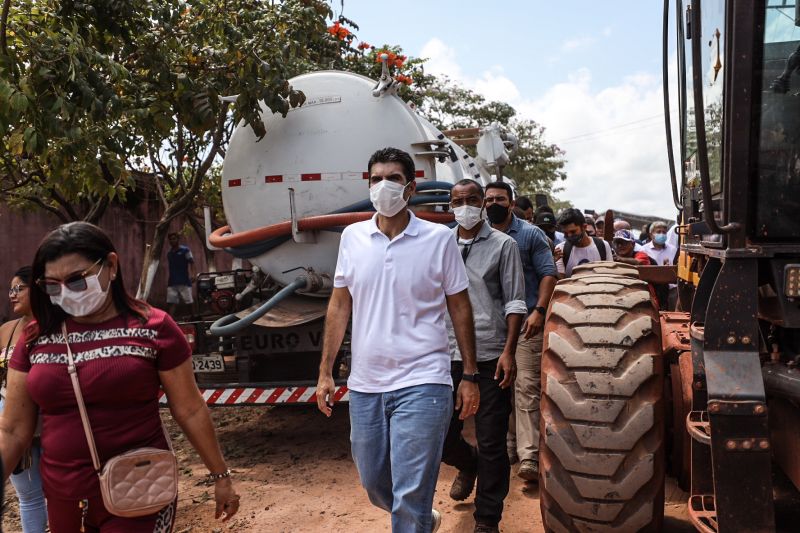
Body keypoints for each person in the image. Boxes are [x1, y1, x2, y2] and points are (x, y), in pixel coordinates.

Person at [0, 222, 239, 532]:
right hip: (64, 498)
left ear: (110, 266)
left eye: (76, 280)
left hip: (140, 491)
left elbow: (190, 409)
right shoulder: (35, 338)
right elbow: (13, 429)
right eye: (52, 285)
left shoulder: (153, 327)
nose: (65, 293)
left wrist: (221, 476)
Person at [316, 147, 479, 533]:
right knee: (373, 482)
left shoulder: (439, 239)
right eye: (376, 178)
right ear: (368, 183)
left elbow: (460, 308)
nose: (383, 185)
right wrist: (325, 372)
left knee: (410, 491)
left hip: (424, 381)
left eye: (393, 178)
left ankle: (413, 517)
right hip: (366, 384)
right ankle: (421, 517)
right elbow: (339, 306)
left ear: (410, 187)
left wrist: (470, 374)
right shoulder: (353, 237)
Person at [442, 180, 526, 533]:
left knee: (492, 441)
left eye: (472, 200)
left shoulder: (504, 245)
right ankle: (467, 462)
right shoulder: (440, 243)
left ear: (482, 204)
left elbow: (515, 301)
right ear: (450, 205)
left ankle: (487, 518)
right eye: (458, 200)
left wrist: (509, 352)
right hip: (444, 354)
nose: (465, 206)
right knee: (441, 436)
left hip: (490, 353)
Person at [483, 181, 558, 482]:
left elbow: (548, 274)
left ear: (511, 203)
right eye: (488, 200)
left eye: (499, 199)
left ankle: (529, 456)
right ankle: (510, 445)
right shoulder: (479, 236)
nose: (493, 204)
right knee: (500, 386)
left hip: (527, 323)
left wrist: (539, 311)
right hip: (493, 326)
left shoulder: (530, 234)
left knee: (526, 387)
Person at [0, 266, 48, 533]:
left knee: (60, 492)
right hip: (13, 422)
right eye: (10, 290)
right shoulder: (6, 331)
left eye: (19, 288)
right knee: (28, 495)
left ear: (38, 289)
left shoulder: (56, 327)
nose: (12, 295)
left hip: (53, 421)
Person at [554, 208, 613, 278]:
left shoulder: (603, 246)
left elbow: (610, 275)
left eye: (573, 232)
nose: (569, 235)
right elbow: (561, 281)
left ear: (584, 227)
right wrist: (553, 263)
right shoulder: (561, 249)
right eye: (565, 233)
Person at [641, 221, 678, 310]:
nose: (662, 234)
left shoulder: (673, 249)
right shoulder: (644, 250)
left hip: (671, 290)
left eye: (664, 232)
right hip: (653, 289)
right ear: (651, 235)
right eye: (658, 232)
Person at [166, 232, 196, 318]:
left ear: (178, 239)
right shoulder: (169, 254)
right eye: (170, 239)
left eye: (174, 238)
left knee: (189, 302)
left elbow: (192, 262)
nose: (172, 241)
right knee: (171, 303)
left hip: (184, 281)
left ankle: (193, 319)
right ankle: (170, 321)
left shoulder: (185, 250)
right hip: (172, 282)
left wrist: (193, 274)